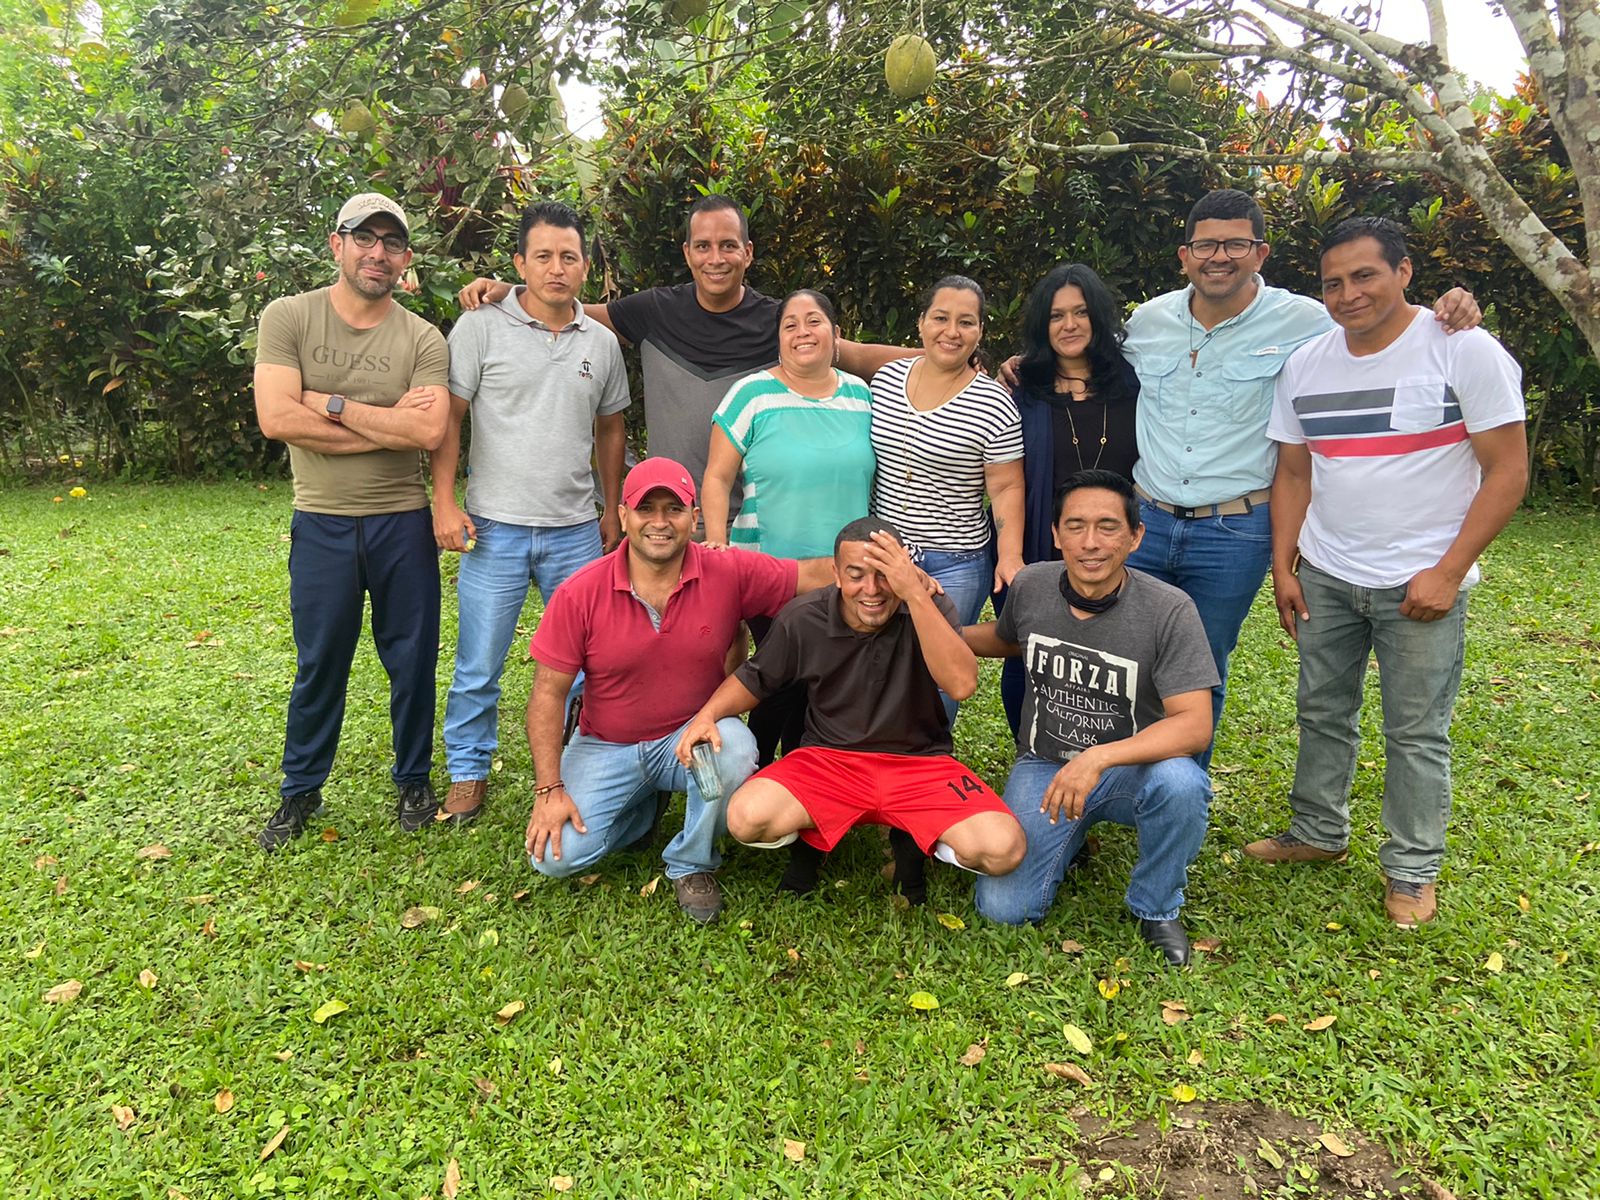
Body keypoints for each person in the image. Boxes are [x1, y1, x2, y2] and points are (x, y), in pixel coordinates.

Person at [999, 190, 1479, 765]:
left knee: (1200, 665)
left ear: (1260, 252)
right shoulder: (1149, 322)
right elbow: (1084, 356)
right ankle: (1109, 777)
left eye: (1235, 244)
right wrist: (1018, 365)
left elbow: (1379, 317)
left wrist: (1448, 309)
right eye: (1206, 245)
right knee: (1115, 654)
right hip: (1145, 520)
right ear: (1185, 255)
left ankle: (1178, 790)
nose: (1219, 256)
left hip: (1235, 530)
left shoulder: (1306, 320)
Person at [1247, 217, 1527, 928]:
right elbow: (1294, 472)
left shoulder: (1463, 349)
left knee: (1416, 732)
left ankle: (1411, 870)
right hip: (1328, 573)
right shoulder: (1306, 364)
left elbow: (1507, 471)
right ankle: (1318, 831)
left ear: (1403, 272)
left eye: (1364, 275)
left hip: (1421, 584)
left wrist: (1450, 571)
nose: (1348, 294)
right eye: (1333, 283)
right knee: (1321, 711)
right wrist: (1285, 565)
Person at [521, 458, 842, 925]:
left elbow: (810, 574)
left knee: (735, 749)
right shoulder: (580, 592)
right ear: (623, 516)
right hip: (606, 744)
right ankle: (641, 811)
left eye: (673, 509)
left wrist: (892, 575)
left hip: (691, 736)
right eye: (645, 508)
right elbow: (548, 696)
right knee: (555, 858)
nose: (659, 521)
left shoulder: (725, 570)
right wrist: (549, 789)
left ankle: (692, 862)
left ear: (694, 518)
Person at [459, 196, 906, 508]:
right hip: (673, 513)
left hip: (757, 516)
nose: (716, 258)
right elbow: (570, 309)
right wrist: (510, 291)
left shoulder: (778, 322)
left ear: (747, 253)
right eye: (704, 246)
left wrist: (935, 358)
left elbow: (856, 355)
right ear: (688, 253)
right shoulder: (654, 311)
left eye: (728, 245)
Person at [676, 518, 1026, 903]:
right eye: (857, 575)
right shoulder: (805, 616)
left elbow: (961, 685)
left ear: (903, 570)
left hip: (919, 762)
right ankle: (812, 844)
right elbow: (755, 678)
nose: (871, 590)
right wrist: (707, 715)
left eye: (884, 574)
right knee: (746, 817)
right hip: (828, 761)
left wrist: (915, 595)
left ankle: (913, 842)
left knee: (1003, 849)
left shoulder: (928, 604)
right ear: (836, 574)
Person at [251, 192, 450, 849]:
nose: (377, 253)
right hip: (322, 522)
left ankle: (414, 780)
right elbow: (277, 418)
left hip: (403, 523)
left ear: (406, 258)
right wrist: (388, 423)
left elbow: (428, 431)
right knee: (321, 661)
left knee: (413, 660)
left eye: (391, 242)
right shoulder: (289, 317)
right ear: (337, 244)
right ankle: (300, 790)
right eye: (364, 238)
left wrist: (328, 403)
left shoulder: (422, 337)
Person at [431, 201, 630, 826]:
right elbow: (449, 420)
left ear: (585, 267)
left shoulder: (602, 343)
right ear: (519, 263)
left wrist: (611, 507)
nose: (556, 268)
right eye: (542, 256)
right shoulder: (479, 328)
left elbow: (611, 427)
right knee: (479, 662)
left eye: (569, 257)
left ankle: (582, 762)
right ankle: (468, 770)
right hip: (494, 528)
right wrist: (444, 500)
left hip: (575, 531)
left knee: (588, 663)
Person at [967, 471, 1217, 966]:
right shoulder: (1033, 585)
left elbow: (1194, 725)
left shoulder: (1169, 610)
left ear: (1135, 536)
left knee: (1183, 783)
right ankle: (1070, 833)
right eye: (1075, 526)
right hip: (1046, 764)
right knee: (1003, 909)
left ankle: (1156, 906)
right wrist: (935, 630)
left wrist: (1097, 758)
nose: (1090, 542)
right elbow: (1007, 639)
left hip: (1131, 768)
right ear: (1056, 534)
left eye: (1108, 526)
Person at [701, 288, 876, 764]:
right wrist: (716, 542)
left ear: (835, 333)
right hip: (768, 570)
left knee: (823, 682)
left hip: (843, 575)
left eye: (814, 321)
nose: (803, 332)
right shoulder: (752, 394)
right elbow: (717, 477)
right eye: (790, 324)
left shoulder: (860, 396)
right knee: (779, 678)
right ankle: (753, 771)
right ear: (778, 338)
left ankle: (801, 779)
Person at [1002, 263, 1141, 733]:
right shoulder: (1021, 390)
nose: (1069, 325)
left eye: (1080, 312)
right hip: (1040, 545)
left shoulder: (1133, 385)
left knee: (1110, 659)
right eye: (1056, 315)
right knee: (1028, 655)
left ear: (1097, 317)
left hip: (1114, 547)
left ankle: (1099, 751)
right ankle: (1032, 749)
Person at [869, 276, 1025, 636]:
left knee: (939, 665)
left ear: (980, 332)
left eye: (966, 322)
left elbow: (1007, 488)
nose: (952, 332)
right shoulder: (885, 380)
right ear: (921, 322)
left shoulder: (994, 404)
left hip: (955, 565)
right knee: (877, 657)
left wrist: (1009, 555)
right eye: (940, 318)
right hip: (884, 552)